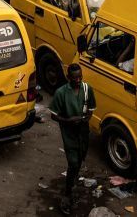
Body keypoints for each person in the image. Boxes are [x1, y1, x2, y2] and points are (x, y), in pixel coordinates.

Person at [50, 63, 96, 215]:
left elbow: (91, 109)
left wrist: (85, 119)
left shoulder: (87, 89)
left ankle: (73, 178)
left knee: (81, 157)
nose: (78, 80)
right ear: (68, 77)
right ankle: (67, 193)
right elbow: (53, 115)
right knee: (73, 161)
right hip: (69, 132)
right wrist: (68, 120)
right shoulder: (61, 93)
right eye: (74, 78)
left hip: (82, 131)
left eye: (80, 77)